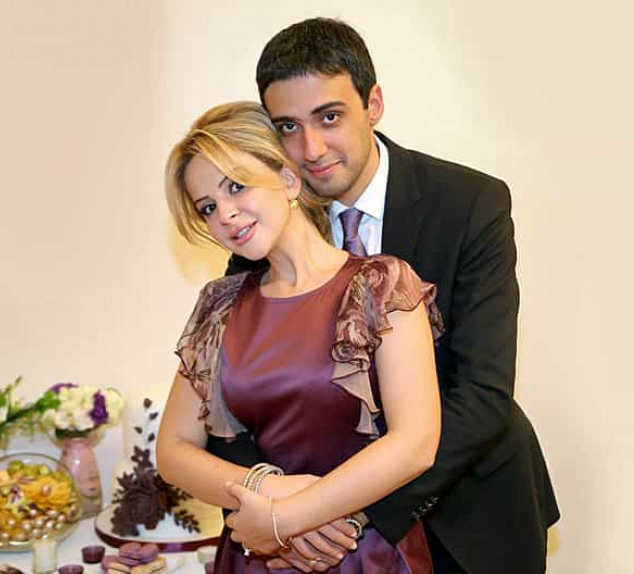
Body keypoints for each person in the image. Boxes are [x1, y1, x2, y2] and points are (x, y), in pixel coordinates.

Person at [206, 17, 560, 574]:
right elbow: (232, 395)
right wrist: (274, 499)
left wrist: (339, 512)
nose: (311, 148)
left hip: (469, 512)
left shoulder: (470, 204)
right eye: (288, 127)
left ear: (373, 103)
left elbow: (482, 394)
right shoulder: (263, 225)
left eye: (329, 117)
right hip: (313, 531)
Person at [157, 101, 445, 573]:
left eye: (236, 186)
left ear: (289, 180)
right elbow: (173, 451)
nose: (225, 214)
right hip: (258, 554)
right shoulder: (219, 306)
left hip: (363, 553)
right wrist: (267, 491)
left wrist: (287, 519)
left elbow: (416, 442)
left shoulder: (381, 284)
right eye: (208, 207)